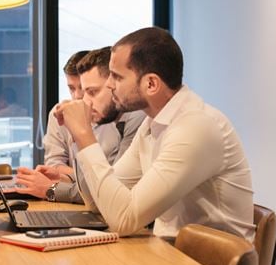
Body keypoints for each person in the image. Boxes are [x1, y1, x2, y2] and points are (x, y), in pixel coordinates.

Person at [56, 27, 255, 239]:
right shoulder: (153, 123)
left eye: (117, 77)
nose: (109, 85)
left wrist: (84, 134)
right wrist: (78, 136)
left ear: (151, 84)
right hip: (171, 254)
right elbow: (98, 202)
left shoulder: (196, 127)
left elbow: (123, 219)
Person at [16, 48, 144, 203]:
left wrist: (52, 189)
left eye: (91, 91)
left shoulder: (136, 118)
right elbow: (99, 184)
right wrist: (68, 177)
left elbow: (108, 188)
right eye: (72, 88)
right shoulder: (67, 112)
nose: (79, 97)